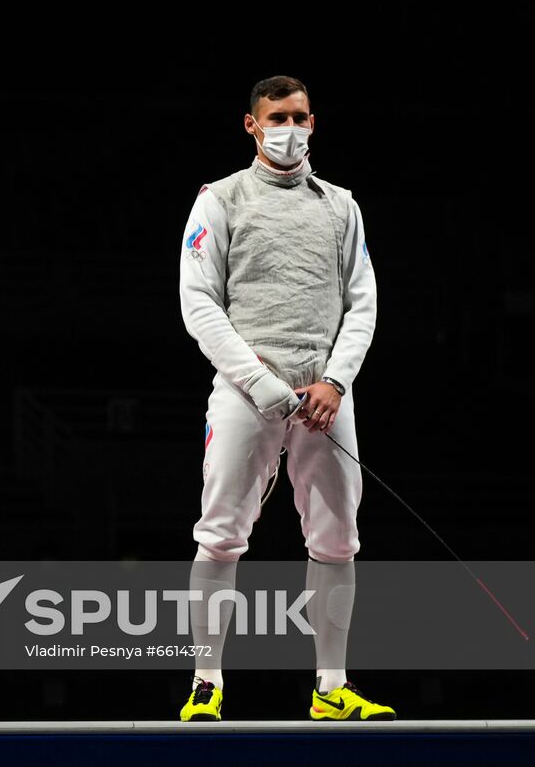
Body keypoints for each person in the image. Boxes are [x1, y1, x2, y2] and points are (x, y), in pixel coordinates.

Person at [176, 75, 395, 722]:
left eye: (299, 116)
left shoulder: (341, 205)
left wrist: (334, 381)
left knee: (338, 541)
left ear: (313, 122)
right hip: (248, 389)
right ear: (251, 124)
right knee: (220, 537)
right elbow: (198, 302)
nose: (289, 127)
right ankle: (205, 684)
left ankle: (331, 686)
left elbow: (363, 300)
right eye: (277, 116)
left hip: (327, 395)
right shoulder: (221, 199)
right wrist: (264, 384)